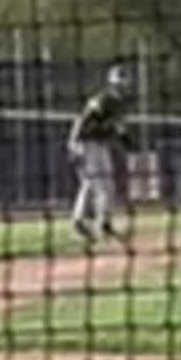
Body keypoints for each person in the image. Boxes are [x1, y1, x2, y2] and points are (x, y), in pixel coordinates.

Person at [67, 64, 134, 244]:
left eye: (124, 82)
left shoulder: (121, 103)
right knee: (99, 186)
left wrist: (126, 140)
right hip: (88, 143)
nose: (123, 86)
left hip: (101, 145)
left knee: (100, 185)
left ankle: (93, 224)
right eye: (120, 82)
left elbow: (118, 127)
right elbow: (81, 120)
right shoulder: (104, 99)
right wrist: (74, 143)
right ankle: (88, 224)